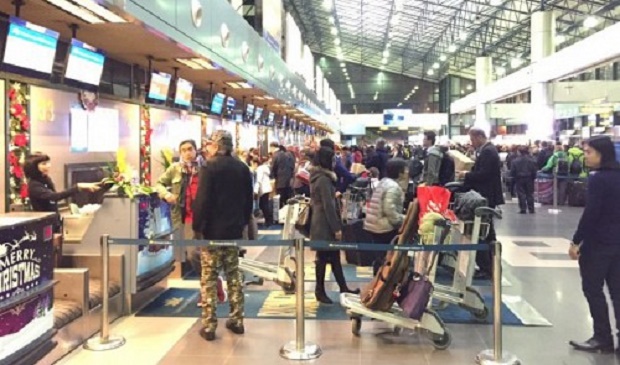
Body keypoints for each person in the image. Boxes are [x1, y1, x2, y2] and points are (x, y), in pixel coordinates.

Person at [192, 130, 253, 342]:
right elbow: (248, 200)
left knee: (209, 276)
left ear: (217, 146)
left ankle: (209, 326)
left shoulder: (209, 167)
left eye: (210, 144)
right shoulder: (243, 168)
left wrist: (197, 227)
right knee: (234, 275)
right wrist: (243, 222)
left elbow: (203, 200)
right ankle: (237, 321)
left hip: (212, 233)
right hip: (233, 231)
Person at [155, 140, 226, 306]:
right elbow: (159, 183)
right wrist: (166, 194)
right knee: (193, 255)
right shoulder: (175, 169)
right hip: (186, 218)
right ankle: (214, 283)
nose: (187, 153)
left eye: (190, 149)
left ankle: (207, 291)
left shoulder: (207, 167)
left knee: (207, 254)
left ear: (196, 150)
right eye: (183, 150)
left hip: (206, 219)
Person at [568, 136, 620, 353]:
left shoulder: (598, 178)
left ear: (601, 153)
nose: (585, 156)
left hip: (598, 243)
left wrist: (576, 240)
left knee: (593, 289)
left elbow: (592, 213)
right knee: (617, 291)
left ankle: (602, 337)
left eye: (588, 152)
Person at [310, 147, 360, 305]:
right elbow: (328, 206)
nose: (335, 162)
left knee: (334, 256)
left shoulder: (319, 177)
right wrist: (336, 228)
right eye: (332, 159)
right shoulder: (324, 179)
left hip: (321, 222)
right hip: (324, 224)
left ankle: (343, 287)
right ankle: (319, 290)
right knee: (323, 258)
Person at [458, 128, 504, 279]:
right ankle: (491, 266)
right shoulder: (487, 150)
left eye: (472, 139)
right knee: (487, 232)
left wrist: (467, 175)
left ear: (479, 137)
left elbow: (485, 174)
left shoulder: (488, 152)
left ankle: (488, 267)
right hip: (485, 195)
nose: (471, 143)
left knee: (483, 232)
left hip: (486, 195)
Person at [24, 152, 100, 227]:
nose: (48, 166)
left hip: (53, 221)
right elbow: (55, 196)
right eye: (44, 164)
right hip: (44, 225)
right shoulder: (34, 185)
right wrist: (77, 187)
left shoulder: (46, 180)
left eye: (48, 163)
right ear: (34, 167)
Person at [364, 159, 408, 275]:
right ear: (400, 172)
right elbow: (389, 209)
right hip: (383, 228)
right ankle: (381, 286)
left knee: (379, 259)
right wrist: (402, 220)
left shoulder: (384, 182)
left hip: (374, 225)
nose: (407, 172)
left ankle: (376, 285)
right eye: (405, 170)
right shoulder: (393, 187)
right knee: (386, 260)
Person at [510, 146, 537, 214]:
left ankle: (523, 209)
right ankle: (531, 209)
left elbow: (512, 171)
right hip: (529, 178)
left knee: (521, 194)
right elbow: (534, 170)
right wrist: (533, 177)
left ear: (519, 152)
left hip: (519, 179)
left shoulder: (515, 161)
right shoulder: (532, 160)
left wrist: (515, 177)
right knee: (530, 194)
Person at [270, 142, 295, 209]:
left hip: (279, 182)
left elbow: (273, 168)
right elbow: (292, 166)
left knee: (278, 201)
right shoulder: (289, 155)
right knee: (288, 201)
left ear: (272, 147)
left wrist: (272, 177)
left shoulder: (276, 155)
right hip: (289, 181)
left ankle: (277, 217)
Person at [254, 156, 273, 227]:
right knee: (264, 204)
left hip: (263, 189)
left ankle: (268, 221)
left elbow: (258, 180)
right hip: (266, 188)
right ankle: (268, 220)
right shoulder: (265, 168)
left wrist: (255, 191)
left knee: (263, 205)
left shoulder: (260, 169)